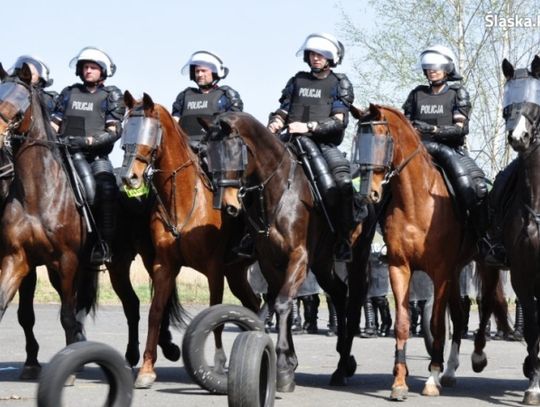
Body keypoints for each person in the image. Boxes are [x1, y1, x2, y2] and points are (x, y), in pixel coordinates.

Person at [267, 32, 356, 262]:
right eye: (313, 54)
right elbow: (285, 110)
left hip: (322, 144)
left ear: (331, 58)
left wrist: (308, 127)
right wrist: (276, 123)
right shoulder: (297, 80)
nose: (316, 58)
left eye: (321, 55)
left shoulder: (340, 83)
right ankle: (250, 236)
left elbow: (339, 121)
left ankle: (343, 239)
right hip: (290, 141)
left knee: (342, 183)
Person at [403, 45, 488, 236]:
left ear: (447, 68)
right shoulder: (416, 94)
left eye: (437, 66)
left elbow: (461, 129)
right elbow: (405, 124)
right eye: (428, 66)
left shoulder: (457, 93)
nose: (432, 70)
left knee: (477, 186)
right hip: (418, 151)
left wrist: (433, 130)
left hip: (451, 150)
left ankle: (482, 238)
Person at [51, 46, 124, 266]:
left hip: (96, 158)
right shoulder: (68, 93)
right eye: (85, 67)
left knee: (107, 189)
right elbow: (54, 124)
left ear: (103, 71)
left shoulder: (111, 95)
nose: (88, 71)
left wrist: (88, 142)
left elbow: (114, 131)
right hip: (63, 155)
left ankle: (103, 244)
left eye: (93, 67)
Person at [172, 50, 243, 153]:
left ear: (214, 72)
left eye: (203, 71)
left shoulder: (227, 95)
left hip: (217, 153)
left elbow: (235, 126)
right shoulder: (184, 96)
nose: (200, 74)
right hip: (185, 151)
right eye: (197, 71)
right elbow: (174, 121)